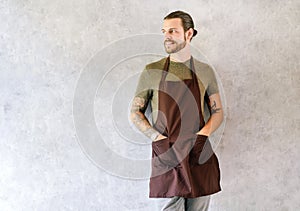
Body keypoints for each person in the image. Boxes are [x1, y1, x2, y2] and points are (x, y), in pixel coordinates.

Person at [130, 10, 224, 211]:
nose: (167, 36)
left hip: (198, 153)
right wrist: (157, 139)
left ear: (188, 34)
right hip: (167, 155)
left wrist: (202, 136)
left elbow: (217, 112)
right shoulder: (151, 71)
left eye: (173, 31)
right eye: (164, 31)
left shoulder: (205, 71)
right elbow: (135, 112)